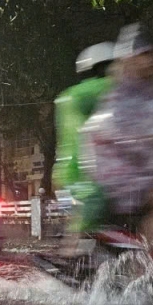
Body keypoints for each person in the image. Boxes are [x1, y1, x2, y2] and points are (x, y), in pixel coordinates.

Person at [80, 23, 153, 242]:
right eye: (145, 54)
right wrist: (144, 141)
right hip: (120, 175)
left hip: (150, 174)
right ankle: (148, 260)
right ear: (129, 58)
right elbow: (110, 128)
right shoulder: (118, 95)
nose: (152, 60)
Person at [52, 41, 115, 250]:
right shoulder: (93, 90)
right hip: (84, 173)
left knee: (86, 223)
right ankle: (69, 256)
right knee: (88, 217)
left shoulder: (68, 95)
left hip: (65, 175)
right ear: (105, 66)